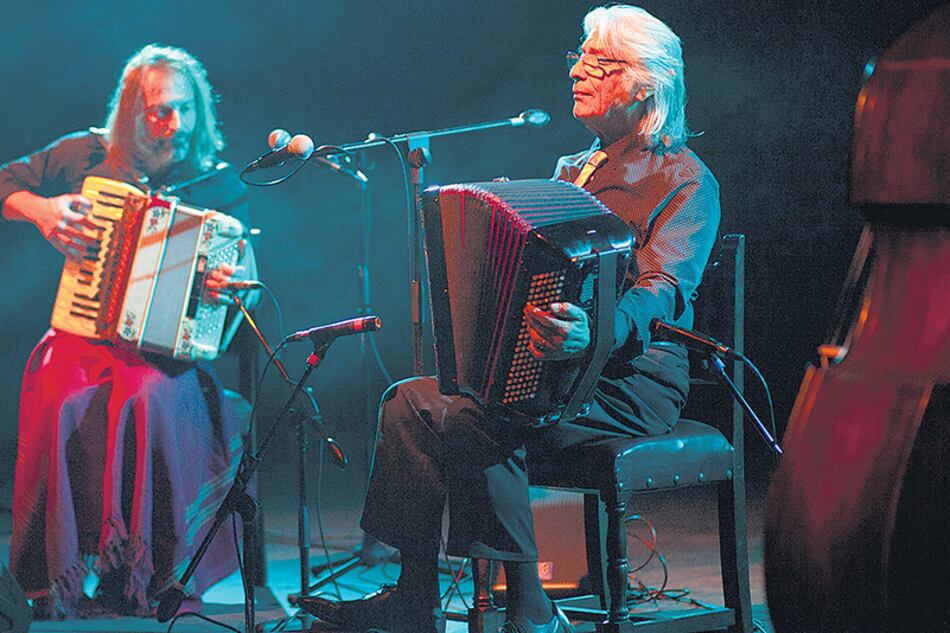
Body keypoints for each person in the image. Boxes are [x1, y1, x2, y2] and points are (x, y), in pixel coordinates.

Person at [298, 5, 721, 633]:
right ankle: (413, 599)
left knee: (480, 414)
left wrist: (593, 333)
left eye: (597, 61)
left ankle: (530, 608)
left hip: (629, 381)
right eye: (579, 55)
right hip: (549, 372)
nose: (578, 70)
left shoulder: (684, 179)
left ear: (642, 83)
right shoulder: (573, 170)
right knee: (407, 402)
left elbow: (663, 290)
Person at [0, 44, 258, 620]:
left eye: (185, 110)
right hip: (83, 334)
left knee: (150, 397)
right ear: (130, 114)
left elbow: (249, 290)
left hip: (165, 351)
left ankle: (148, 575)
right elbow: (3, 184)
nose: (175, 124)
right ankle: (52, 578)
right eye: (159, 111)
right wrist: (40, 211)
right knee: (60, 394)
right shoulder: (84, 154)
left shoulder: (216, 185)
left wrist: (224, 290)